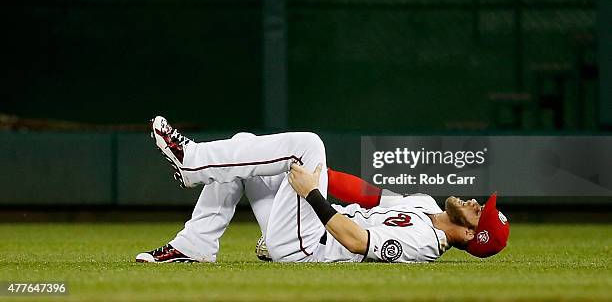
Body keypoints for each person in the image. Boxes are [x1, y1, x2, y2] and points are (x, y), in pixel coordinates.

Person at [136, 116, 510, 264]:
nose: (477, 202)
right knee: (245, 146)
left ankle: (193, 161)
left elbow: (355, 240)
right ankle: (195, 245)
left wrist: (314, 193)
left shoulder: (425, 245)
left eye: (481, 213)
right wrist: (317, 175)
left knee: (309, 142)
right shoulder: (426, 203)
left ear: (471, 234)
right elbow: (365, 194)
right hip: (303, 227)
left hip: (309, 246)